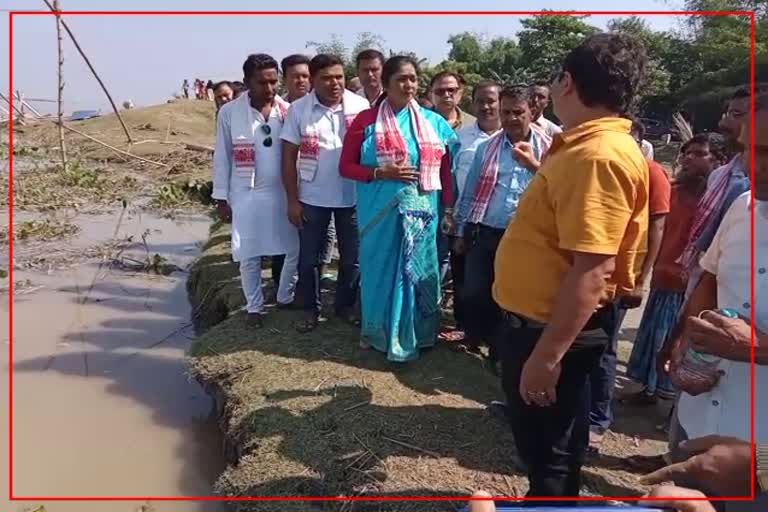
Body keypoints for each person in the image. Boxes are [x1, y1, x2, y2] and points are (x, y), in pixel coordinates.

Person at [491, 32, 649, 500]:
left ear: (565, 82)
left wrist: (546, 357)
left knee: (550, 454)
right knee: (546, 446)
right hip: (540, 323)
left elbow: (593, 268)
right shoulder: (582, 147)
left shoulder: (597, 156)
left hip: (549, 330)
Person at [657, 97, 768, 500]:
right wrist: (688, 337)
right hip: (698, 419)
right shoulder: (743, 206)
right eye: (747, 150)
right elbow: (711, 273)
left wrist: (757, 348)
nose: (754, 167)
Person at [339, 55, 456, 362]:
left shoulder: (434, 123)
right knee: (379, 270)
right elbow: (346, 167)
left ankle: (420, 333)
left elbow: (446, 172)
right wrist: (381, 172)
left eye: (413, 79)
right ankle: (378, 333)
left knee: (419, 271)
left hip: (423, 214)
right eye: (401, 79)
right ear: (386, 83)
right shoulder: (365, 121)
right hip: (379, 214)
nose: (408, 85)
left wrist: (448, 209)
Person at [587, 118, 673, 451]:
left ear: (636, 139)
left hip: (622, 279)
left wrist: (639, 279)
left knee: (604, 350)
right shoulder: (606, 165)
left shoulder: (651, 172)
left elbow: (657, 229)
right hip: (594, 272)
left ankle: (597, 418)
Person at [621, 133, 726, 407]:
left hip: (689, 285)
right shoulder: (673, 190)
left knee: (674, 340)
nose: (689, 158)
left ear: (717, 160)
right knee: (652, 337)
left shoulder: (717, 201)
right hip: (663, 276)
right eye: (686, 153)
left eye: (699, 154)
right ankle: (649, 390)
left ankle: (668, 397)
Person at [453, 87, 551, 359]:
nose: (510, 118)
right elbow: (470, 191)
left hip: (523, 237)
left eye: (518, 112)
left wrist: (533, 165)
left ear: (532, 111)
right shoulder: (487, 148)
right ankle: (473, 336)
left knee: (508, 297)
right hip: (484, 231)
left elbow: (558, 190)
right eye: (505, 112)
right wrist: (461, 231)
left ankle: (499, 351)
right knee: (474, 290)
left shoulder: (549, 150)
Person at [280, 54, 370, 333]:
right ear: (314, 79)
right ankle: (310, 309)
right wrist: (293, 200)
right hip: (312, 197)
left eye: (339, 77)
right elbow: (288, 157)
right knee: (310, 258)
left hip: (353, 196)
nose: (335, 83)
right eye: (327, 78)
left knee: (352, 257)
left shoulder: (361, 105)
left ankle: (344, 306)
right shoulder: (298, 110)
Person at [212, 54, 298, 328]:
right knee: (249, 253)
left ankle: (285, 296)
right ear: (248, 82)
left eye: (274, 81)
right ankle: (254, 307)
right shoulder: (230, 113)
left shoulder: (287, 110)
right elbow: (222, 156)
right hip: (245, 191)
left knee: (293, 247)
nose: (270, 88)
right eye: (263, 83)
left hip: (282, 191)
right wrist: (221, 198)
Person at [438, 80, 502, 347]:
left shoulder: (512, 136)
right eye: (481, 101)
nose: (486, 106)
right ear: (472, 104)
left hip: (500, 222)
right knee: (463, 277)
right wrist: (451, 214)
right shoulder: (460, 137)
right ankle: (465, 328)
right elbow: (450, 178)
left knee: (497, 281)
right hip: (465, 220)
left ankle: (493, 334)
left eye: (491, 101)